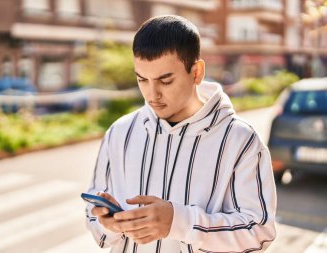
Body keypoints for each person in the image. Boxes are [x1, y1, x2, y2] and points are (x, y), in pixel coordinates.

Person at [85, 15, 276, 253]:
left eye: (165, 80)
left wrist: (179, 222)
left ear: (196, 72)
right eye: (142, 79)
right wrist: (108, 224)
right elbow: (93, 218)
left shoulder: (240, 140)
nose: (151, 94)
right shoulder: (119, 132)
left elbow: (259, 232)